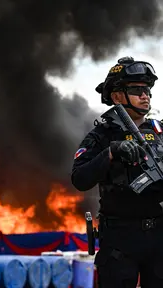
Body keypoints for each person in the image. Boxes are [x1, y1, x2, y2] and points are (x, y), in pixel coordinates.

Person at [71, 56, 163, 287]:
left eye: (148, 89)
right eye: (137, 89)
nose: (146, 95)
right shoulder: (102, 135)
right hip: (120, 239)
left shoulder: (160, 132)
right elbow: (80, 178)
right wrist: (111, 153)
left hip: (159, 236)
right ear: (117, 96)